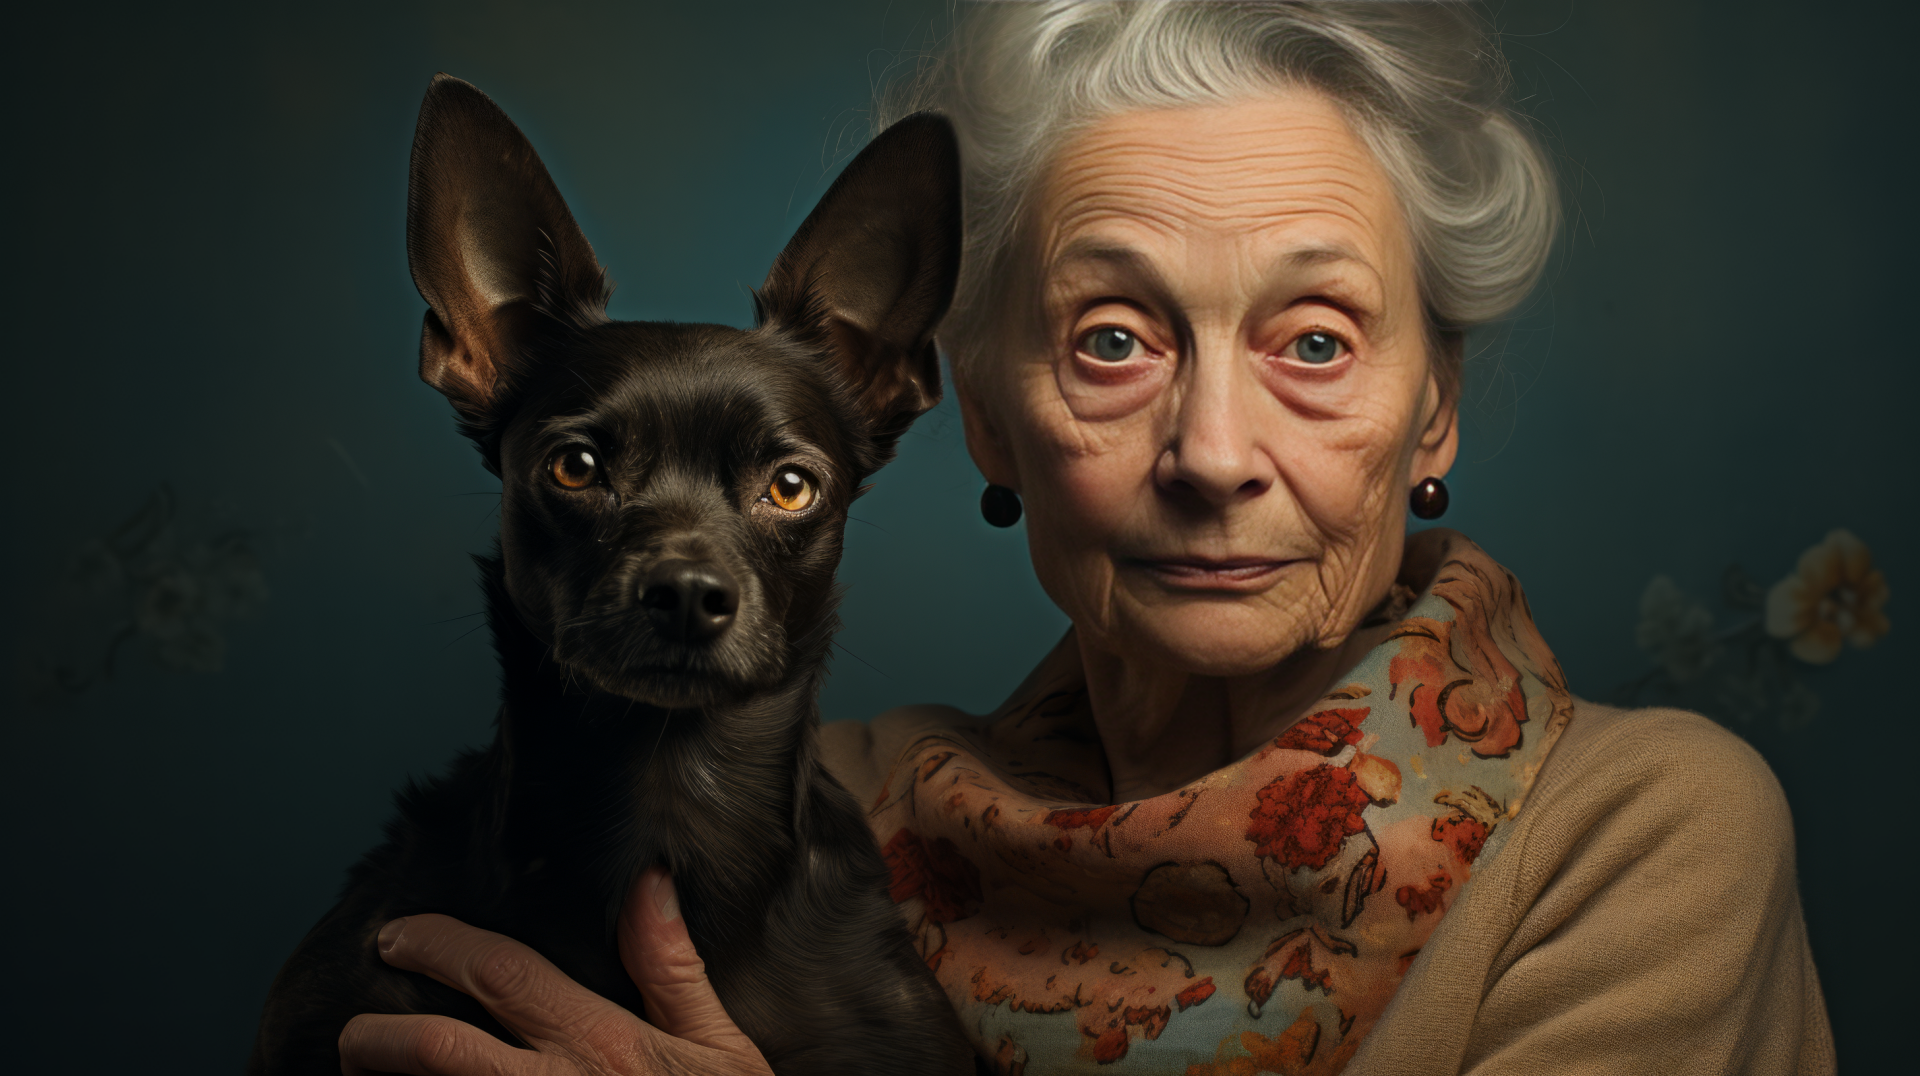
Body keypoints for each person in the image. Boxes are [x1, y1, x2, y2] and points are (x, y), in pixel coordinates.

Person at [337, 3, 1835, 1073]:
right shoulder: (823, 810)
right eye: (1114, 341)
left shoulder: (1638, 840)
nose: (1214, 455)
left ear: (1430, 413)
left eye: (1315, 342)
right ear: (980, 414)